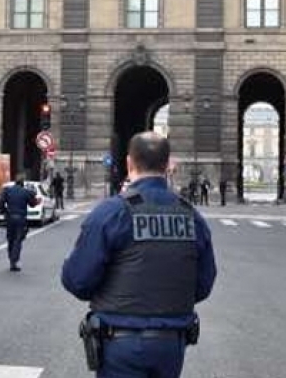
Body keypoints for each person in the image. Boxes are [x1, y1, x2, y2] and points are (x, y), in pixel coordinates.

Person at [62, 132, 217, 378]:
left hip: (119, 342)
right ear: (168, 165)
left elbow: (78, 281)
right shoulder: (191, 216)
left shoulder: (111, 212)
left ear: (128, 163)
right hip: (171, 343)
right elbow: (203, 285)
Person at [0, 173, 38, 272]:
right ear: (23, 182)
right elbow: (32, 204)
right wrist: (34, 198)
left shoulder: (7, 190)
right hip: (20, 218)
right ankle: (14, 260)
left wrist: (5, 212)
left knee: (10, 239)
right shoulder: (26, 192)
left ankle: (11, 257)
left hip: (10, 218)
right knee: (18, 240)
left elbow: (1, 202)